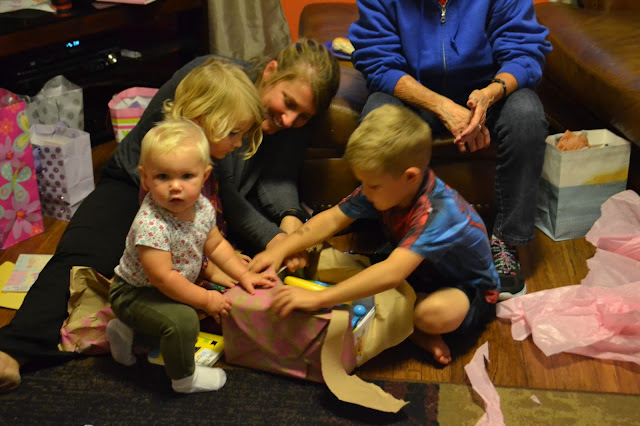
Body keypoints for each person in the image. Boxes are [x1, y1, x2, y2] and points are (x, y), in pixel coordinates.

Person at [0, 39, 340, 393]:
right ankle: (13, 349)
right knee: (85, 254)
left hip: (208, 203)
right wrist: (278, 241)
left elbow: (278, 180)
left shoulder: (284, 126)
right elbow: (228, 193)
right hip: (141, 186)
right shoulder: (211, 84)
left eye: (304, 116)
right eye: (289, 103)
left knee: (240, 271)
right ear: (270, 72)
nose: (290, 120)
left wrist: (290, 222)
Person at [249, 104, 500, 365]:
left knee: (431, 314)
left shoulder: (440, 213)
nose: (365, 192)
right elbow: (333, 219)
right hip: (414, 272)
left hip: (466, 289)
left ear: (410, 177)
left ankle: (411, 326)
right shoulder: (387, 186)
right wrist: (280, 249)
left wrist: (319, 299)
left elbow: (392, 273)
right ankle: (399, 314)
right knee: (323, 260)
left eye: (372, 185)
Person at [347, 0, 553, 300]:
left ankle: (506, 242)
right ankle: (397, 236)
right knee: (378, 112)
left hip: (486, 95)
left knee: (527, 115)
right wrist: (441, 106)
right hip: (417, 95)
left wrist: (487, 97)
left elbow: (525, 53)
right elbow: (379, 63)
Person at [107, 119, 277, 393]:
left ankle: (126, 331)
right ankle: (184, 379)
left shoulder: (201, 207)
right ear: (145, 178)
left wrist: (244, 274)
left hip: (164, 288)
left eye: (187, 176)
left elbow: (216, 245)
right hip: (134, 293)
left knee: (186, 308)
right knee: (184, 319)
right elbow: (163, 278)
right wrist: (207, 299)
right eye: (163, 177)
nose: (176, 186)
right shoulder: (151, 224)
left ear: (205, 175)